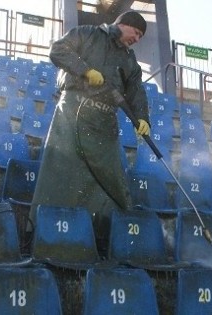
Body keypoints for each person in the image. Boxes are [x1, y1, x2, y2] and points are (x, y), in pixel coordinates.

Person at [31, 11, 151, 252]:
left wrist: (142, 118)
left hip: (106, 121)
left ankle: (105, 239)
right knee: (62, 172)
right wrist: (84, 70)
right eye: (136, 32)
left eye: (140, 36)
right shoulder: (87, 34)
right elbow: (58, 50)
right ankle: (47, 234)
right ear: (123, 24)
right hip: (73, 112)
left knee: (111, 179)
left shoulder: (130, 61)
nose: (137, 39)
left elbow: (136, 92)